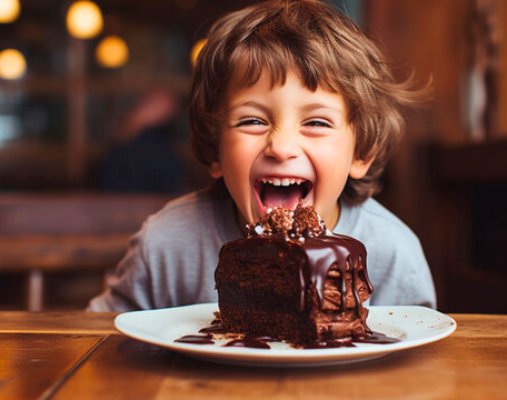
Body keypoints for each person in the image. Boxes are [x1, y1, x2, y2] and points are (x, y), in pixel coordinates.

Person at [87, 0, 436, 311]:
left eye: (315, 122)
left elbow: (415, 361)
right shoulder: (167, 244)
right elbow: (105, 339)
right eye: (252, 120)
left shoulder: (393, 253)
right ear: (214, 150)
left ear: (361, 152)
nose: (281, 148)